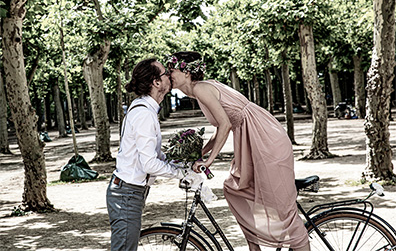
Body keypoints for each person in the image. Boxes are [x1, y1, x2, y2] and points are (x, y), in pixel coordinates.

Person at [167, 51, 311, 251]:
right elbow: (220, 127)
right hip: (251, 137)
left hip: (264, 138)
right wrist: (198, 152)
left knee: (277, 202)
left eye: (171, 70)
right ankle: (255, 247)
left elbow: (225, 125)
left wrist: (209, 160)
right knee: (236, 189)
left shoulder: (201, 88)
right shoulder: (198, 90)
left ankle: (299, 244)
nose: (168, 74)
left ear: (187, 72)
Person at [106, 58, 185, 251]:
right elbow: (149, 164)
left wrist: (180, 165)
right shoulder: (144, 114)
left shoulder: (145, 109)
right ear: (156, 82)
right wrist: (180, 173)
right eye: (166, 73)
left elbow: (153, 156)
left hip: (131, 191)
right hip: (127, 194)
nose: (170, 75)